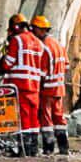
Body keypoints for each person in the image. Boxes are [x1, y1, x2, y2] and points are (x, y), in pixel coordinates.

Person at [0, 14, 47, 157]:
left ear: (15, 27)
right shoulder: (39, 44)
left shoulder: (17, 40)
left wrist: (0, 64)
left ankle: (23, 150)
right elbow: (42, 68)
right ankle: (32, 150)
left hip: (21, 85)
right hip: (34, 86)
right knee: (33, 119)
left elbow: (8, 63)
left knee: (24, 118)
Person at [30, 15, 70, 154]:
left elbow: (42, 73)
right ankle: (64, 148)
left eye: (33, 29)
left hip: (48, 89)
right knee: (59, 117)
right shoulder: (58, 44)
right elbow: (66, 65)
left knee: (46, 119)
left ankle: (49, 149)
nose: (32, 32)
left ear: (40, 30)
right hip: (59, 88)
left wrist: (37, 89)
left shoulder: (44, 47)